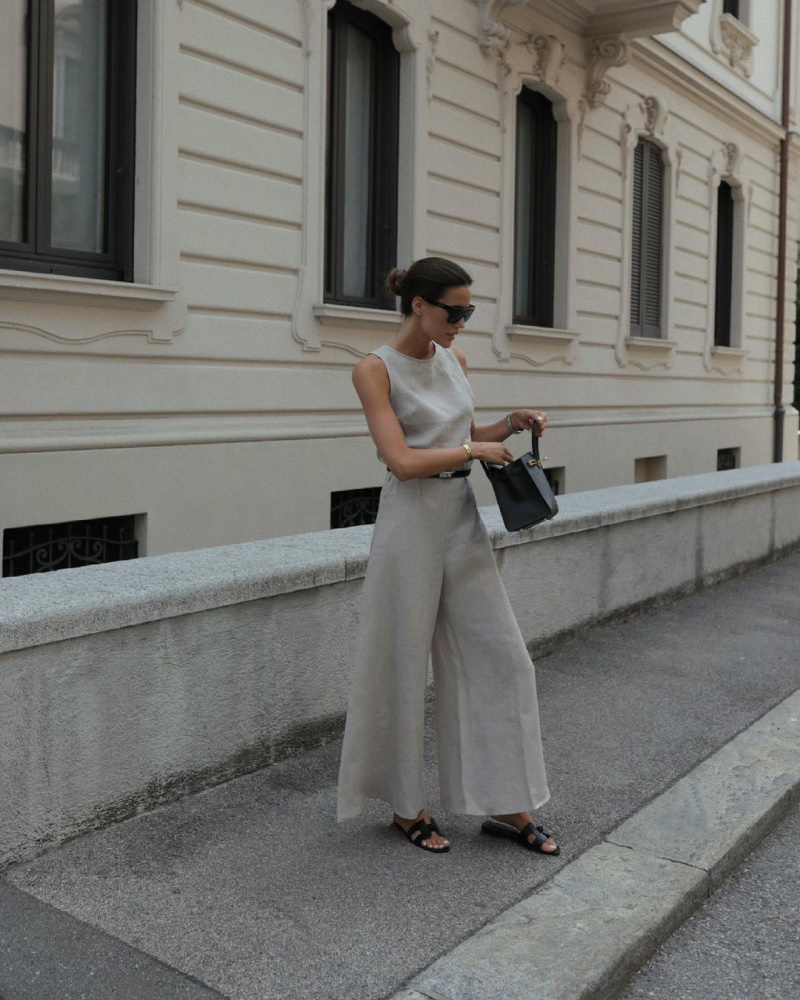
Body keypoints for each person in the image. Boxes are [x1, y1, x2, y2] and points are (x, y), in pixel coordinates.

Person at [337, 257, 559, 856]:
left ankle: (506, 804)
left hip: (460, 518)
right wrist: (472, 450)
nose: (462, 323)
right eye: (454, 312)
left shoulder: (454, 360)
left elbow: (463, 436)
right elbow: (402, 460)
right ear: (419, 305)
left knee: (504, 659)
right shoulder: (374, 370)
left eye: (468, 313)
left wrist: (508, 424)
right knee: (402, 664)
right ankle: (406, 807)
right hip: (409, 521)